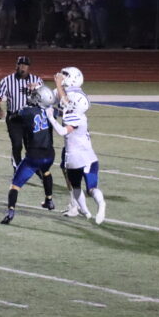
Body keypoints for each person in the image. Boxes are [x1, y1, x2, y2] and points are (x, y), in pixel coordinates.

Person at [49, 71, 106, 224]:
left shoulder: (75, 112)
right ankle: (87, 210)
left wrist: (50, 117)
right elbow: (62, 106)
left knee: (79, 187)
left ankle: (86, 208)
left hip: (78, 156)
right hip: (84, 155)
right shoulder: (77, 112)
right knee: (86, 188)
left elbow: (63, 124)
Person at [0, 84, 57, 224]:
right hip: (49, 154)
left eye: (36, 96)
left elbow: (14, 117)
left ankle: (10, 212)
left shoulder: (27, 111)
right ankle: (49, 201)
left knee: (15, 185)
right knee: (46, 172)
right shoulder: (52, 111)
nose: (32, 97)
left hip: (34, 156)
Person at [0, 56, 43, 170]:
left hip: (31, 118)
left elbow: (44, 97)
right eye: (21, 65)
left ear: (29, 67)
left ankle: (30, 167)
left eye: (25, 65)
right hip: (14, 118)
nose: (23, 67)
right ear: (16, 66)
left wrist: (36, 90)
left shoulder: (37, 80)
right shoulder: (7, 80)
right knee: (17, 144)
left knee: (31, 146)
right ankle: (17, 167)